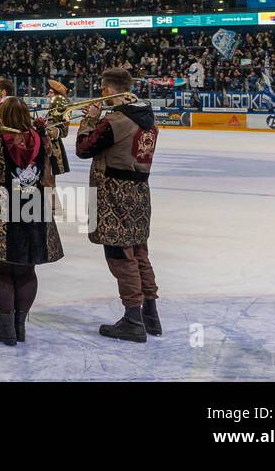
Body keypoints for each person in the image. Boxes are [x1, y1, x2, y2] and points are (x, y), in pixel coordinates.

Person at [0, 95, 63, 345]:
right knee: (26, 268)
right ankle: (20, 324)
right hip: (32, 204)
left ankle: (6, 327)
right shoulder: (40, 139)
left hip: (0, 206)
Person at [76, 67, 161, 343]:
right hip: (139, 193)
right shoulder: (147, 117)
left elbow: (83, 148)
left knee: (120, 256)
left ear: (110, 89)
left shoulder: (116, 121)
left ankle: (133, 320)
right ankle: (150, 314)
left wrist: (89, 120)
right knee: (139, 252)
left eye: (103, 89)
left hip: (113, 195)